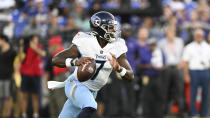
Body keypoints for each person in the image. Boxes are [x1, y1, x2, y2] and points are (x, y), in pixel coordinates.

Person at [50, 11, 134, 118]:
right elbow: (56, 59)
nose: (114, 30)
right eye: (110, 27)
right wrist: (75, 62)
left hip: (92, 91)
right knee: (91, 107)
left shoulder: (118, 45)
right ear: (99, 29)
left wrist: (118, 68)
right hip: (76, 85)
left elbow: (130, 76)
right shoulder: (85, 41)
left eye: (114, 27)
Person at [183, 28, 210, 118]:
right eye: (197, 35)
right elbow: (185, 62)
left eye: (200, 35)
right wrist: (186, 74)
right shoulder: (189, 47)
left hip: (205, 70)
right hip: (194, 71)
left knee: (205, 93)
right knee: (193, 93)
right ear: (194, 36)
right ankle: (193, 113)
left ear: (203, 36)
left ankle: (204, 113)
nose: (199, 37)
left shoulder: (207, 47)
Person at [157, 27, 185, 117]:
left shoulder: (180, 41)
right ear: (166, 34)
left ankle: (181, 112)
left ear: (175, 33)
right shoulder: (161, 43)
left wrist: (182, 63)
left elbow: (183, 54)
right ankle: (163, 112)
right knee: (165, 90)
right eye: (169, 33)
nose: (171, 35)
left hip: (177, 67)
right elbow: (158, 55)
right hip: (167, 68)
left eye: (172, 33)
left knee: (179, 91)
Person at [19, 35, 46, 118]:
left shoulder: (40, 47)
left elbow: (43, 54)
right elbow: (20, 59)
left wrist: (34, 48)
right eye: (34, 39)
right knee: (25, 96)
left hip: (36, 74)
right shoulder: (25, 48)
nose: (35, 40)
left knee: (35, 96)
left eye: (36, 39)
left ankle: (35, 114)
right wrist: (22, 46)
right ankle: (24, 114)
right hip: (26, 74)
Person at [45, 36, 69, 118]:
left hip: (60, 77)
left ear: (56, 45)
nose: (50, 47)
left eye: (51, 45)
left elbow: (58, 70)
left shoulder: (61, 52)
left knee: (60, 101)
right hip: (58, 78)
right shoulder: (55, 53)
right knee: (55, 102)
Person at [0, 34, 16, 118]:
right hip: (0, 78)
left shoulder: (12, 51)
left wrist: (15, 74)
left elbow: (17, 62)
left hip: (8, 77)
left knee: (8, 97)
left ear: (3, 40)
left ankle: (7, 115)